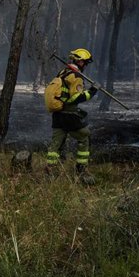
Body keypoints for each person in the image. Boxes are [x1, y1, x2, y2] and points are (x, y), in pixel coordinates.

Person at [45, 48, 98, 184]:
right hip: (69, 115)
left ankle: (50, 172)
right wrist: (92, 91)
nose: (85, 65)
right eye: (85, 62)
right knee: (84, 137)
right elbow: (75, 98)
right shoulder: (76, 76)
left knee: (56, 145)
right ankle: (81, 171)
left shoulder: (63, 72)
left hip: (58, 114)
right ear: (80, 61)